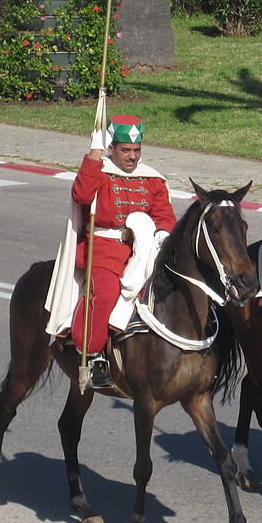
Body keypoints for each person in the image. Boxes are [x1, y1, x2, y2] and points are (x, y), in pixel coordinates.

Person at [70, 115, 176, 389]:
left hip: (143, 251)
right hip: (103, 250)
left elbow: (164, 215)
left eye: (137, 150)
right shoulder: (99, 173)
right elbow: (81, 196)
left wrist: (164, 233)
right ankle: (92, 355)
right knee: (105, 293)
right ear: (112, 149)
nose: (132, 157)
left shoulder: (152, 179)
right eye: (126, 150)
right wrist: (93, 154)